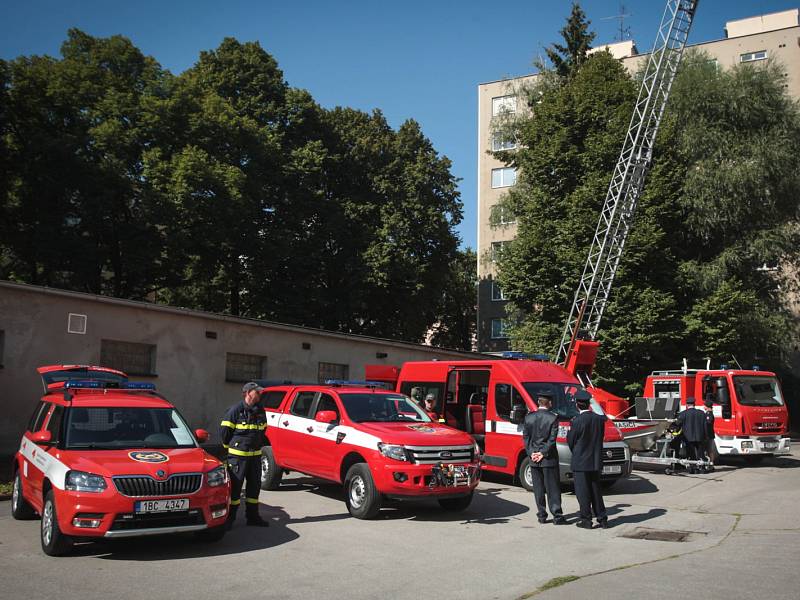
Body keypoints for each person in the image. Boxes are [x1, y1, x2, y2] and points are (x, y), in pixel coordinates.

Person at [219, 382, 270, 528]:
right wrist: (231, 450)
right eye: (257, 392)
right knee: (235, 489)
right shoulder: (235, 410)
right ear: (248, 393)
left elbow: (263, 430)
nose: (260, 394)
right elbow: (224, 434)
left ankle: (252, 517)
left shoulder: (260, 411)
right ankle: (230, 519)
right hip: (238, 458)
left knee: (254, 488)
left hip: (255, 457)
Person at [566, 390, 608, 529]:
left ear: (577, 404)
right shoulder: (598, 419)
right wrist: (592, 400)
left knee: (583, 492)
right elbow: (603, 416)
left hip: (581, 461)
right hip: (595, 460)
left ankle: (586, 520)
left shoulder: (577, 421)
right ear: (588, 404)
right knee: (596, 491)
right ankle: (602, 518)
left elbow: (571, 441)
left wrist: (577, 453)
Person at [522, 392, 565, 525]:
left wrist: (532, 453)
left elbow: (526, 438)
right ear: (549, 403)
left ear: (539, 402)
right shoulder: (553, 418)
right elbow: (552, 440)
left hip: (533, 459)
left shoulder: (529, 418)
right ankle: (557, 516)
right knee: (553, 488)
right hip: (548, 459)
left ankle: (541, 515)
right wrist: (543, 453)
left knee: (538, 488)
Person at [676, 397, 707, 473]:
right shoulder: (702, 413)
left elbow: (677, 424)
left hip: (688, 438)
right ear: (694, 404)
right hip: (700, 437)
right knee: (701, 453)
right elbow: (705, 426)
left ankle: (693, 468)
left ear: (687, 404)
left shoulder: (683, 414)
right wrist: (705, 436)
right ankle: (702, 468)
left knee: (691, 453)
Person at [703, 398, 716, 466]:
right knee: (708, 450)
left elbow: (708, 423)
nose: (703, 406)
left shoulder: (709, 414)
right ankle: (709, 462)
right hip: (708, 435)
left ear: (707, 406)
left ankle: (711, 462)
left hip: (709, 435)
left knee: (709, 450)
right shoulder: (707, 413)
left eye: (704, 405)